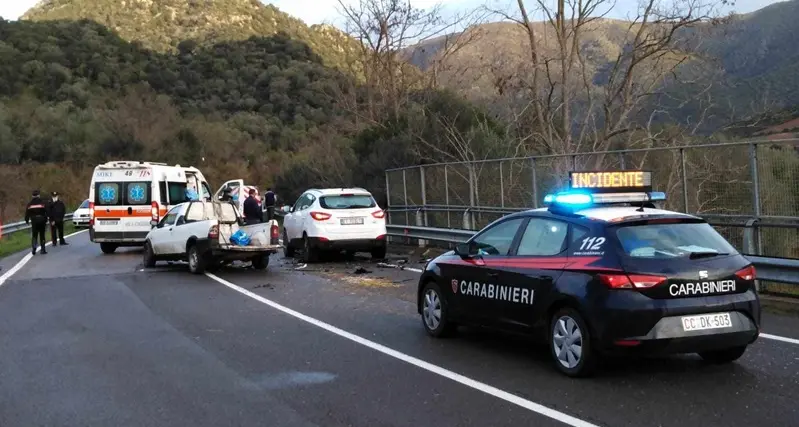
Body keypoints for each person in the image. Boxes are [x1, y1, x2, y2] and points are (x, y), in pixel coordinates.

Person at [24, 190, 48, 255]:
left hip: (34, 221)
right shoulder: (42, 202)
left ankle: (34, 248)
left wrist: (26, 220)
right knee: (42, 235)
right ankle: (43, 250)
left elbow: (27, 213)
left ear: (32, 196)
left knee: (34, 235)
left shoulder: (29, 204)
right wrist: (46, 219)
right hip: (42, 220)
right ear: (38, 195)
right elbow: (46, 211)